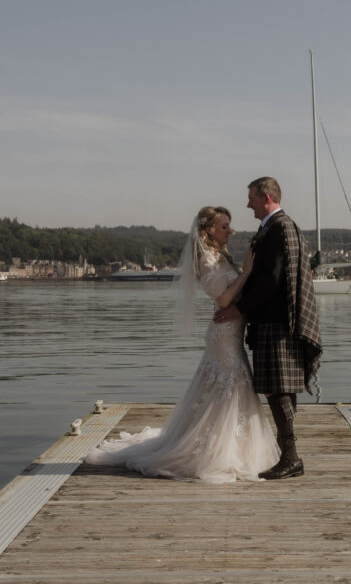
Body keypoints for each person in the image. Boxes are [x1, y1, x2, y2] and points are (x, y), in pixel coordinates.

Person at [83, 206, 279, 483]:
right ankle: (215, 450)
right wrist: (246, 274)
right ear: (210, 230)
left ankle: (234, 445)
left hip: (231, 332)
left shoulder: (220, 256)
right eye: (224, 226)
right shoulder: (207, 260)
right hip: (223, 335)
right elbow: (223, 300)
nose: (230, 230)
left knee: (227, 388)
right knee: (232, 386)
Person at [214, 177, 321, 480]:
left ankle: (290, 457)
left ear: (266, 197)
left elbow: (271, 281)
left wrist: (238, 308)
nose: (248, 205)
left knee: (278, 390)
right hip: (274, 321)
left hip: (276, 322)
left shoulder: (279, 228)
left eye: (251, 199)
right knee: (280, 389)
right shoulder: (274, 227)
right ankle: (285, 454)